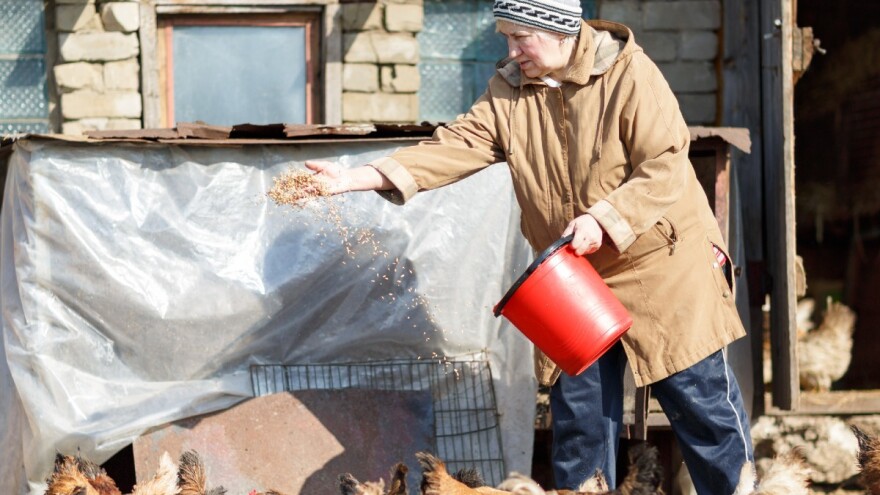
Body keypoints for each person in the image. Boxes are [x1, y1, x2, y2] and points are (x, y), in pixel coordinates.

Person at [306, 1, 754, 493]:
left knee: (700, 407)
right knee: (581, 423)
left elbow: (665, 163)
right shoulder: (509, 90)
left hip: (661, 265)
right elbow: (456, 145)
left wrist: (605, 219)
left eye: (521, 37)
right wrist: (357, 177)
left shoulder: (630, 75)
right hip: (574, 276)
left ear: (561, 31)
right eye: (506, 36)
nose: (511, 50)